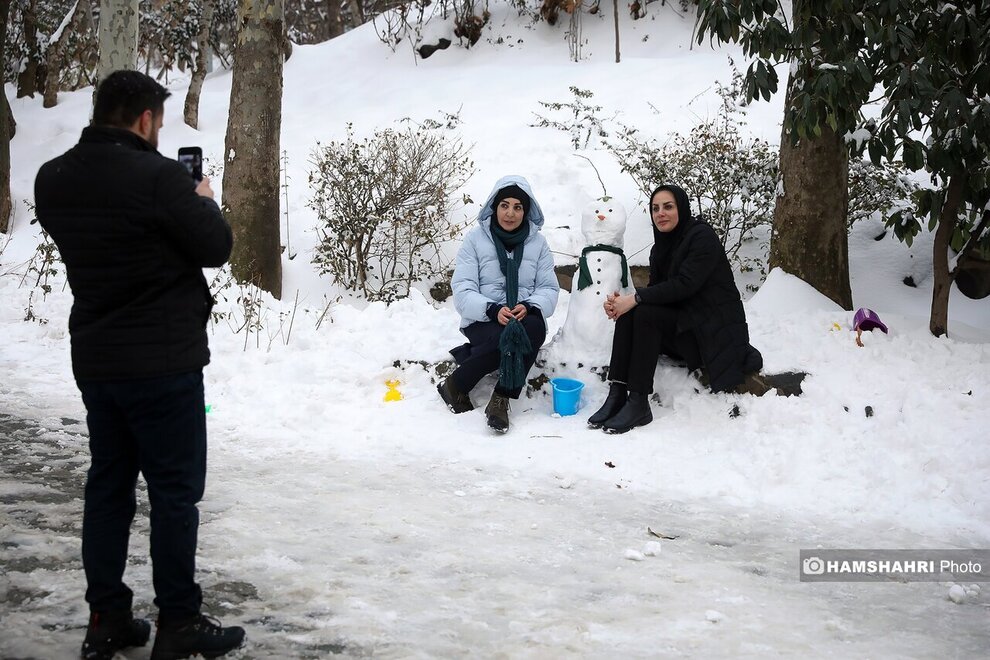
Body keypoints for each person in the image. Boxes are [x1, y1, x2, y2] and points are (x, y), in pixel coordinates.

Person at [34, 70, 245, 660]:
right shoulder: (159, 179)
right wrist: (200, 200)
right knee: (175, 492)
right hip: (165, 361)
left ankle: (107, 617)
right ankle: (179, 621)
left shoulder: (53, 179)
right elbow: (217, 248)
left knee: (108, 485)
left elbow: (108, 236)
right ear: (147, 119)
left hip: (98, 360)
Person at [587, 184, 766, 434]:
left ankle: (639, 401)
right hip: (685, 328)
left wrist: (635, 299)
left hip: (709, 336)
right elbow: (656, 293)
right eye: (655, 208)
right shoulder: (659, 248)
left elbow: (685, 285)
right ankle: (617, 392)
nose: (661, 213)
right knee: (634, 312)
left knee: (643, 310)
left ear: (681, 208)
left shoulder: (702, 237)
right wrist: (622, 305)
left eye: (668, 207)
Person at [438, 175, 559, 433]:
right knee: (509, 337)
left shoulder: (538, 243)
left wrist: (530, 304)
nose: (510, 213)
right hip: (482, 319)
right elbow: (462, 289)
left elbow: (548, 288)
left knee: (533, 329)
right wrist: (491, 309)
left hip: (522, 316)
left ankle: (501, 398)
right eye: (505, 205)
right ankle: (456, 385)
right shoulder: (475, 240)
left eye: (518, 207)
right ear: (494, 206)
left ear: (526, 211)